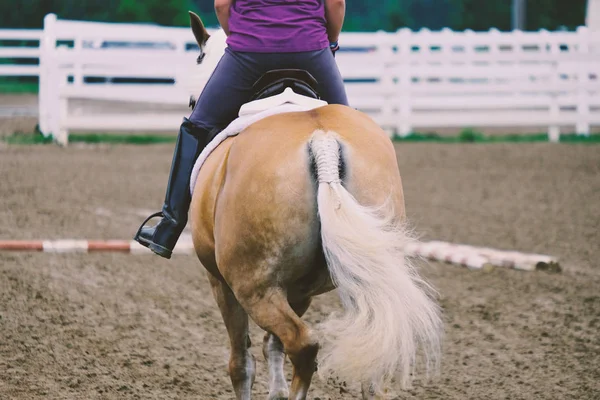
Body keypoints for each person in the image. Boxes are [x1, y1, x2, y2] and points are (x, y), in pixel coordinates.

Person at [134, 0, 349, 259]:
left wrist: (242, 38)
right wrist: (331, 43)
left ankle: (168, 227)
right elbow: (336, 3)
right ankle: (365, 219)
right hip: (311, 51)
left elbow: (222, 5)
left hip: (250, 54)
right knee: (349, 126)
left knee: (196, 126)